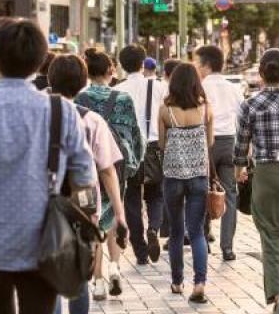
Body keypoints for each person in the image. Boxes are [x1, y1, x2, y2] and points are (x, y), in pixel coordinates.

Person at [0, 18, 97, 313]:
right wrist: (90, 234)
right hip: (45, 241)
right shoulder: (63, 112)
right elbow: (86, 180)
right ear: (39, 62)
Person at [48, 54, 127, 313]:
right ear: (83, 82)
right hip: (82, 207)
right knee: (79, 272)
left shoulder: (34, 115)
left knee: (49, 277)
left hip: (43, 203)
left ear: (50, 79)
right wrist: (119, 213)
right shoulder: (92, 120)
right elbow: (107, 171)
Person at [75, 48, 143, 299]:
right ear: (111, 71)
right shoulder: (124, 98)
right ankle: (115, 267)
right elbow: (136, 135)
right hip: (118, 165)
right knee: (116, 213)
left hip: (88, 167)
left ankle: (99, 280)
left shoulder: (80, 99)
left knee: (93, 221)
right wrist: (133, 164)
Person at [234, 49, 279, 314]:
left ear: (260, 74)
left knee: (271, 237)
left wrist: (239, 169)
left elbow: (241, 146)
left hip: (265, 174)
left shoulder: (250, 104)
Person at [158, 63, 213, 304]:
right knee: (197, 231)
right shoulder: (206, 109)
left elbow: (161, 144)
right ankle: (199, 283)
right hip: (199, 177)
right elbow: (210, 141)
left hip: (172, 176)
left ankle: (177, 281)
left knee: (176, 231)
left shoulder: (165, 110)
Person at [114, 45, 168, 265]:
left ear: (121, 64)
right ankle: (154, 228)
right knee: (156, 194)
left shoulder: (118, 90)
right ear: (142, 62)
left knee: (132, 199)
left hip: (128, 149)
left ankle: (140, 251)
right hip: (154, 146)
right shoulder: (159, 87)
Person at [194, 45, 244, 261]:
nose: (196, 66)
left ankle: (204, 240)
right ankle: (228, 247)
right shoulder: (233, 88)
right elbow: (241, 120)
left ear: (206, 65)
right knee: (230, 194)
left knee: (202, 192)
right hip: (230, 143)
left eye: (198, 63)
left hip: (206, 143)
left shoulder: (199, 87)